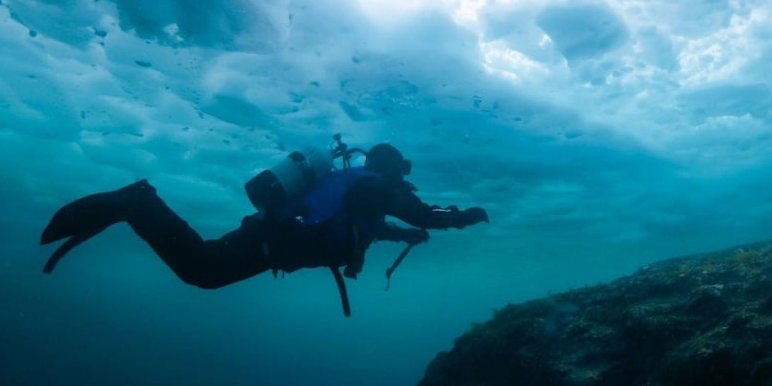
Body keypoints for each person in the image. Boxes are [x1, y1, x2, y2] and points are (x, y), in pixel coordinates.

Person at [38, 143, 489, 315]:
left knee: (203, 267)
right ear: (392, 169)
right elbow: (423, 214)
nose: (404, 179)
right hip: (276, 239)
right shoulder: (380, 187)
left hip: (273, 234)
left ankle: (136, 206)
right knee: (202, 271)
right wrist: (464, 216)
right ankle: (139, 204)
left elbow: (366, 228)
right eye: (402, 171)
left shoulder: (359, 189)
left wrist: (405, 236)